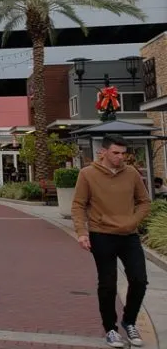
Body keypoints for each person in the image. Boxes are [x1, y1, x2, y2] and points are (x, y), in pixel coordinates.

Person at [72, 135, 151, 348]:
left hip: (129, 235)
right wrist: (82, 232)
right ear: (103, 152)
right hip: (102, 234)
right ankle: (111, 329)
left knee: (139, 280)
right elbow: (78, 205)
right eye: (116, 152)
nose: (120, 157)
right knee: (108, 284)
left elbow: (144, 202)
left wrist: (132, 221)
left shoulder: (131, 173)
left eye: (123, 153)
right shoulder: (87, 174)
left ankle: (129, 321)